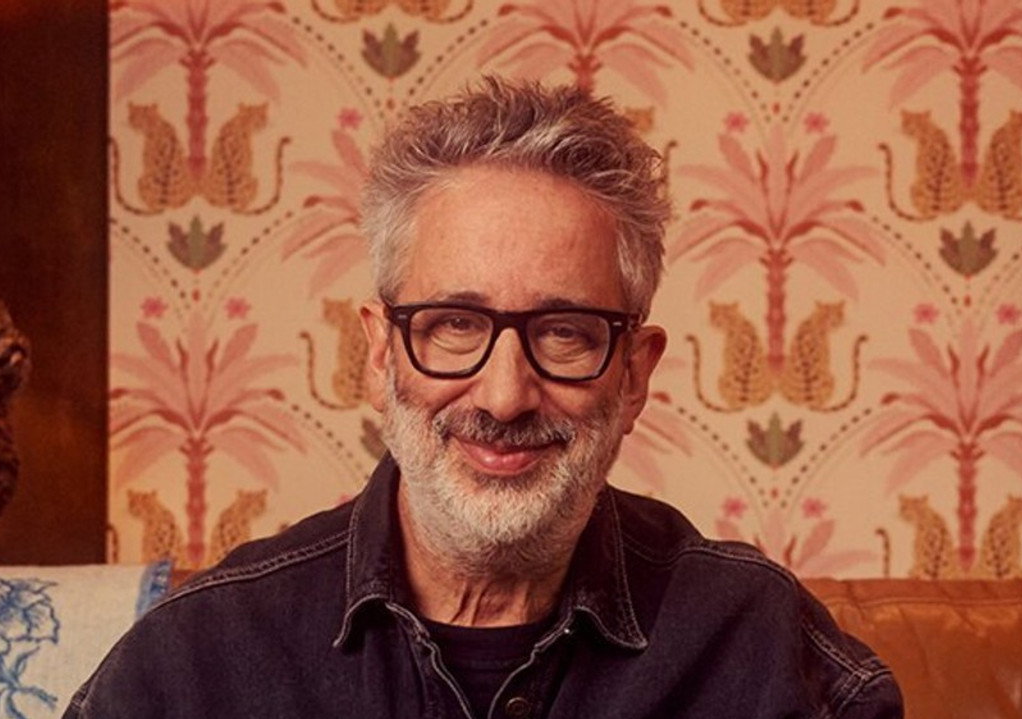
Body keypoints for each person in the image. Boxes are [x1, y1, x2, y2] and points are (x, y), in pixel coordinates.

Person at [66, 77, 903, 718]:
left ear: (635, 373)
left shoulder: (760, 645)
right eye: (455, 325)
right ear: (380, 350)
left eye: (565, 332)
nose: (505, 397)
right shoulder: (196, 661)